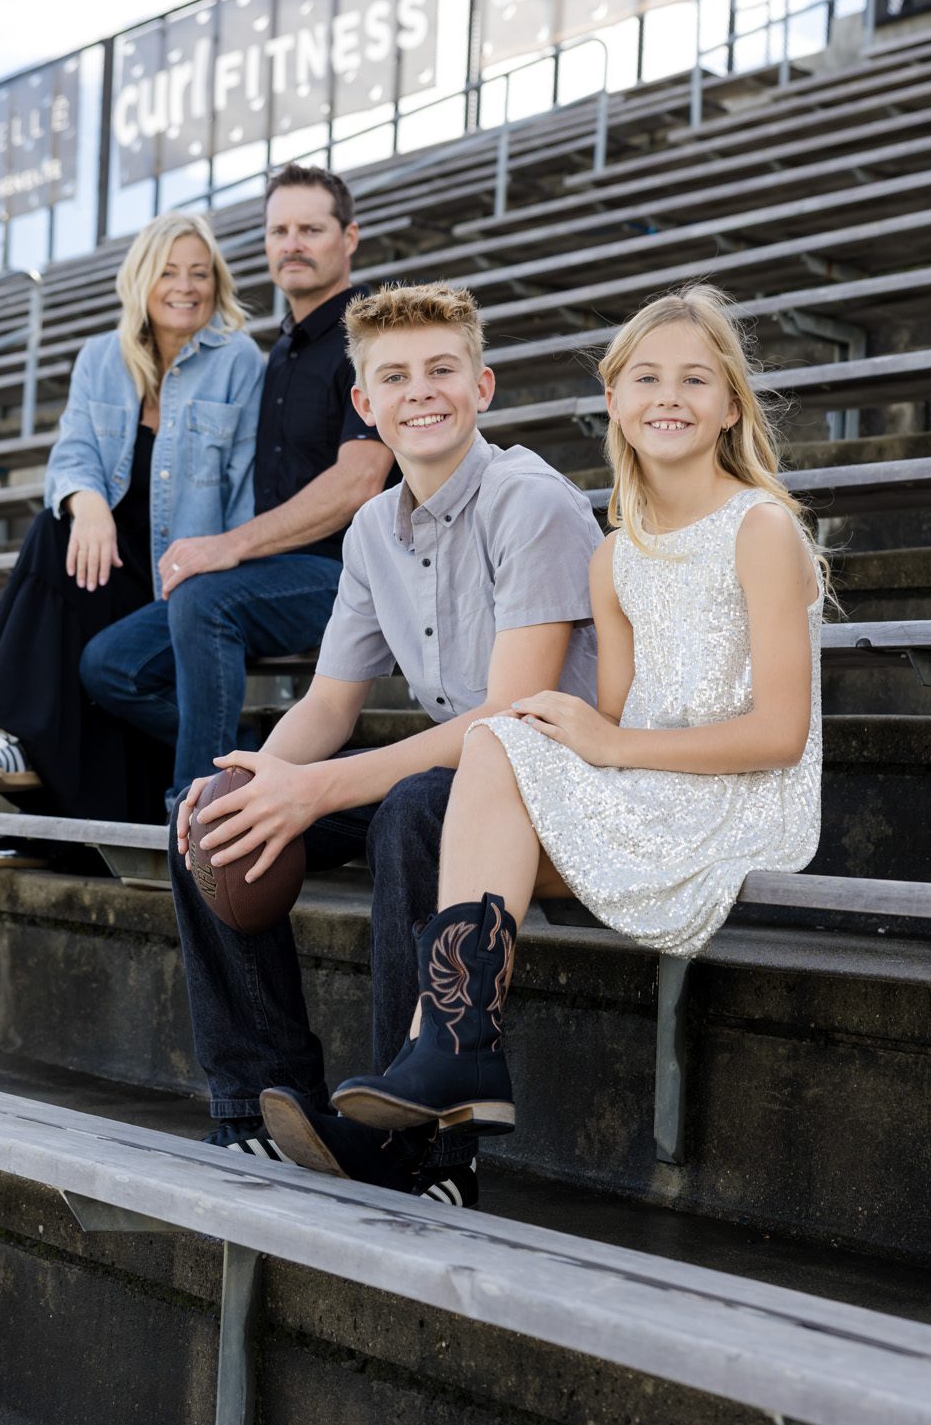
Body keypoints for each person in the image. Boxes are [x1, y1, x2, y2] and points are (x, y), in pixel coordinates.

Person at [321, 284, 825, 1145]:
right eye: (646, 379)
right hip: (643, 790)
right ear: (613, 401)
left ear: (731, 405)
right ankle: (448, 1048)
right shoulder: (613, 555)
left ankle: (440, 1056)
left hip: (736, 800)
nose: (668, 396)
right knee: (495, 740)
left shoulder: (760, 529)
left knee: (489, 746)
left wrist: (608, 743)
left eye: (694, 381)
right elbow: (613, 729)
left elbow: (780, 736)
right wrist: (599, 748)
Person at [169, 281, 604, 1205]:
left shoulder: (531, 502)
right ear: (364, 405)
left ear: (481, 386)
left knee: (413, 811)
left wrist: (317, 790)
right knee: (210, 814)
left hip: (559, 787)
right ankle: (254, 1103)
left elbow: (511, 718)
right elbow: (327, 707)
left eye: (442, 370)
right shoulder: (372, 528)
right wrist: (256, 779)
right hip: (466, 771)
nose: (422, 392)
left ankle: (424, 1152)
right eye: (395, 377)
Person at [0, 213, 263, 865]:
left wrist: (211, 571)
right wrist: (87, 505)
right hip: (106, 557)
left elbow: (244, 492)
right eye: (170, 272)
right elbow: (74, 454)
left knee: (58, 572)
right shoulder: (100, 357)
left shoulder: (239, 363)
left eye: (200, 273)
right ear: (142, 280)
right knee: (55, 529)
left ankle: (14, 752)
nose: (186, 286)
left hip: (182, 576)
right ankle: (24, 773)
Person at [80, 164, 394, 804]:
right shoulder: (277, 352)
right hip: (270, 576)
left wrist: (229, 546)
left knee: (205, 598)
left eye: (311, 228)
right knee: (108, 664)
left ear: (350, 237)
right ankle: (248, 751)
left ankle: (197, 813)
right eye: (279, 230)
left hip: (349, 573)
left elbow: (359, 481)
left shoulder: (372, 338)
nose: (293, 243)